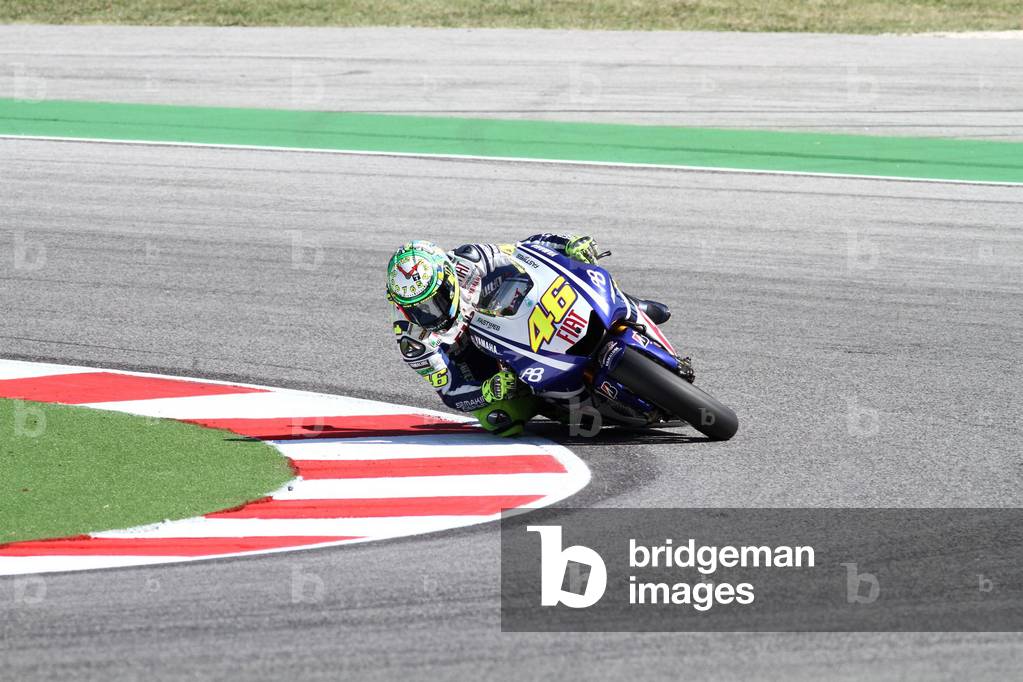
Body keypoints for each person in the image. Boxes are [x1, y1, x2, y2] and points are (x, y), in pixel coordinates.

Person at [386, 234, 672, 436]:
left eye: (435, 298)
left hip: (510, 310)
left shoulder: (470, 259)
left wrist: (569, 246)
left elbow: (529, 249)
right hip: (480, 357)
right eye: (418, 307)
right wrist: (486, 390)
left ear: (447, 277)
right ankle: (554, 403)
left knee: (583, 272)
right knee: (502, 420)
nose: (430, 310)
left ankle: (629, 305)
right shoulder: (413, 340)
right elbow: (449, 391)